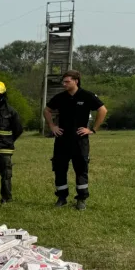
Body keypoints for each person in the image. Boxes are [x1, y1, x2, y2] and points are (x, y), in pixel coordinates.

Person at [44, 70, 108, 210]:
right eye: (63, 81)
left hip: (80, 140)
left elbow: (103, 110)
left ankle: (81, 199)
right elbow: (47, 110)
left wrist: (93, 129)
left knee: (81, 169)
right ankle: (62, 198)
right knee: (60, 168)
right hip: (62, 140)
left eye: (67, 81)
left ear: (76, 81)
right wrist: (52, 126)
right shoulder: (60, 97)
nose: (64, 84)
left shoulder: (87, 96)